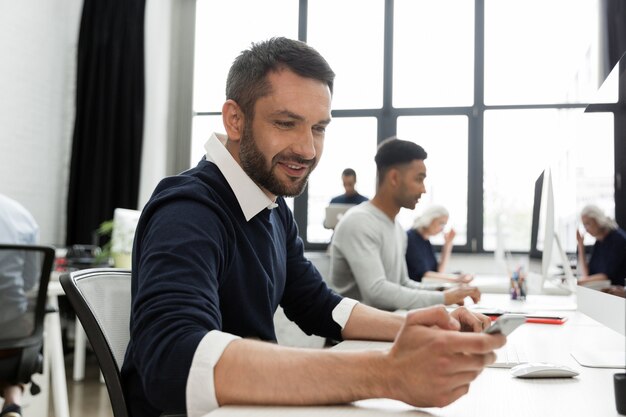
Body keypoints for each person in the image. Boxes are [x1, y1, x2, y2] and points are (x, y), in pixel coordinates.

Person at [121, 37, 505, 417]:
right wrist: (386, 373)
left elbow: (321, 307)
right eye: (286, 123)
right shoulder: (189, 209)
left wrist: (420, 325)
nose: (307, 149)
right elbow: (174, 361)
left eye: (318, 128)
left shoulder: (271, 207)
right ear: (235, 120)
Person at [329, 138, 481, 311]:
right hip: (351, 336)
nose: (423, 189)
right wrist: (445, 297)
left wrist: (446, 290)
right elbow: (376, 293)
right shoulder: (358, 222)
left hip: (384, 327)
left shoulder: (398, 230)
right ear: (394, 178)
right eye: (419, 179)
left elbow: (403, 283)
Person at [0, 193, 40, 417]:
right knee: (22, 322)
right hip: (12, 341)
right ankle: (12, 400)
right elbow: (29, 281)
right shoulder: (21, 214)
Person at [406, 205, 473, 284]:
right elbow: (424, 275)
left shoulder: (426, 241)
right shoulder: (411, 238)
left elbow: (439, 271)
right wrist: (456, 279)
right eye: (441, 223)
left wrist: (448, 244)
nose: (442, 228)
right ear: (430, 219)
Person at [576, 204, 626, 287]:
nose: (586, 229)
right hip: (603, 290)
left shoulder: (618, 240)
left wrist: (579, 282)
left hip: (616, 294)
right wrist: (581, 245)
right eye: (584, 225)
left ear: (598, 219)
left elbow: (605, 276)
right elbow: (587, 275)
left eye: (588, 224)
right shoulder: (599, 241)